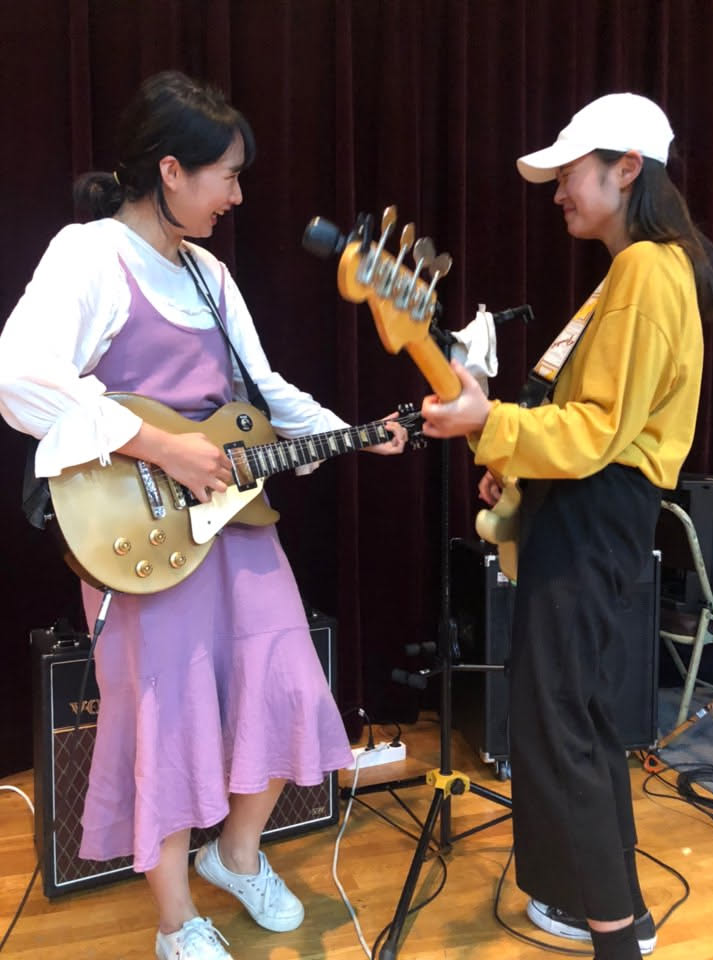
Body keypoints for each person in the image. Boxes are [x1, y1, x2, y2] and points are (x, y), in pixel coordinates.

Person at [0, 71, 408, 960]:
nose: (237, 195)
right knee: (166, 716)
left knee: (288, 681)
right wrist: (162, 446)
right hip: (136, 535)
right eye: (227, 175)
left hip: (233, 519)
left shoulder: (209, 273)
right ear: (171, 171)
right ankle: (175, 920)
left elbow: (264, 390)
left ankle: (237, 855)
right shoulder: (88, 255)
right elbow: (19, 377)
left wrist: (352, 432)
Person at [421, 93, 713, 960]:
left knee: (559, 721)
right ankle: (608, 908)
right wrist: (514, 458)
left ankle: (614, 935)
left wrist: (490, 423)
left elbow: (593, 434)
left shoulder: (646, 271)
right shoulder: (642, 271)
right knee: (573, 714)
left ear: (628, 169)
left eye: (569, 173)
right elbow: (593, 424)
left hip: (595, 516)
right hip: (591, 511)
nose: (556, 192)